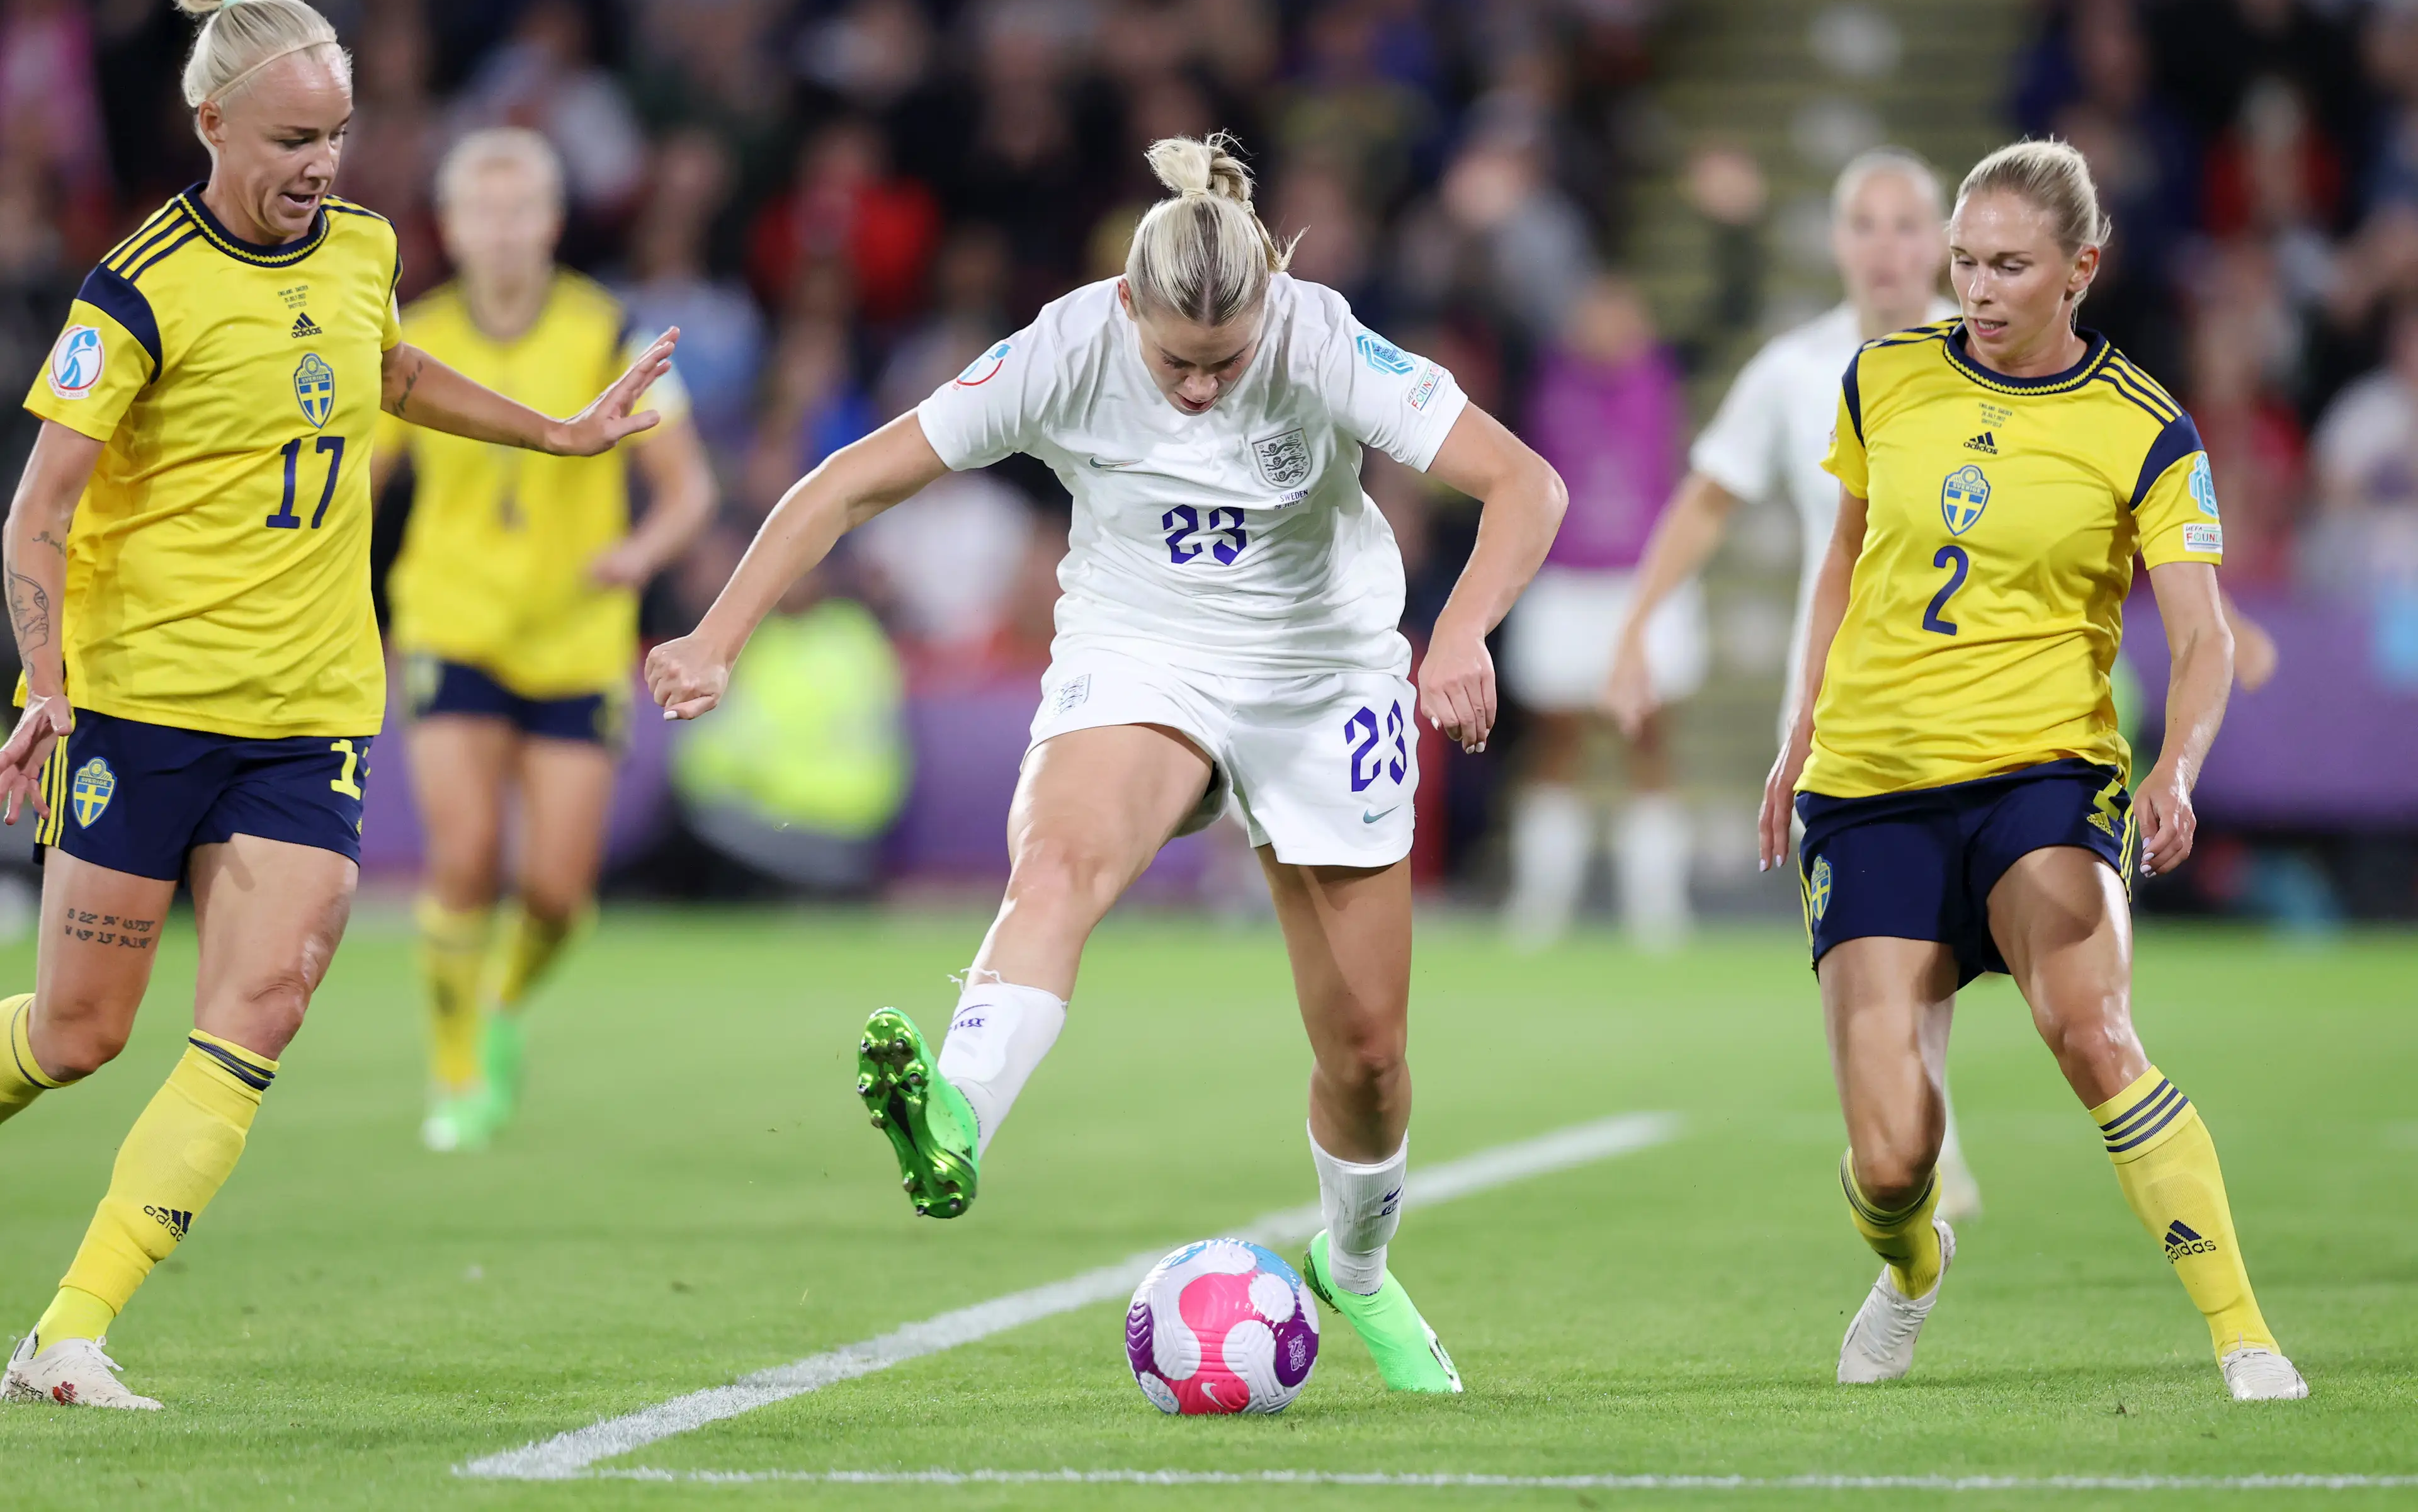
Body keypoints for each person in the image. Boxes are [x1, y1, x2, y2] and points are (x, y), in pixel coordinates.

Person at [647, 134, 1566, 1392]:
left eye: (1226, 361)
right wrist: (719, 631)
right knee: (1063, 858)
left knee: (1365, 1049)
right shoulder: (1063, 347)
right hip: (1142, 655)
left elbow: (1526, 482)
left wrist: (1459, 630)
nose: (1199, 389)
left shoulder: (1323, 337)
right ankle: (957, 1113)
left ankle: (1356, 1267)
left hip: (1323, 672)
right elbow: (855, 481)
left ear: (1269, 315)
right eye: (1177, 362)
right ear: (1127, 306)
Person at [0, 0, 673, 1409]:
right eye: (294, 140)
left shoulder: (364, 248)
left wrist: (554, 436)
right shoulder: (136, 288)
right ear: (215, 129)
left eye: (339, 135)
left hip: (309, 709)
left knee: (266, 1002)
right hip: (146, 704)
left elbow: (392, 375)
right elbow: (38, 509)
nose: (322, 166)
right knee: (77, 1032)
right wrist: (43, 683)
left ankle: (67, 1333)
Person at [1759, 139, 2305, 1402]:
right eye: (1967, 261)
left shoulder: (2145, 427)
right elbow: (1845, 556)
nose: (1979, 286)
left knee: (2094, 1027)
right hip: (1874, 782)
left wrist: (2176, 768)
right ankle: (1910, 1268)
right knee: (1894, 1158)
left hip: (2042, 777)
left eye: (2010, 264)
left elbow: (2207, 632)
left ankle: (2242, 1331)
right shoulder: (1882, 379)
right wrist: (1800, 734)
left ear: (2082, 270)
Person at [1604, 147, 1987, 1220]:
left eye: (1908, 225)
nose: (1887, 247)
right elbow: (1707, 499)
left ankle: (1925, 1133)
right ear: (1837, 242)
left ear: (1945, 244)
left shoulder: (2003, 355)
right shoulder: (1795, 369)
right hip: (1835, 707)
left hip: (1971, 699)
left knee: (1932, 947)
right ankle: (1920, 1144)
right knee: (1868, 956)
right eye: (1866, 225)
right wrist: (1637, 624)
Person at [375, 128, 715, 1152]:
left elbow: (690, 489)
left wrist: (638, 554)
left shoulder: (608, 331)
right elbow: (361, 480)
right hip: (453, 622)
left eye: (523, 208)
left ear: (554, 223)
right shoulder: (412, 340)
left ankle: (505, 1005)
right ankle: (453, 1070)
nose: (504, 228)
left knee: (560, 895)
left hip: (576, 634)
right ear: (451, 227)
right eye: (484, 209)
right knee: (467, 853)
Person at [1497, 273, 1699, 948]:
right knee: (1555, 742)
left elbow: (1734, 302)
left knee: (1648, 738)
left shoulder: (1666, 371)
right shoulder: (1543, 374)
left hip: (1643, 582)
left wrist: (1732, 228)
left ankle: (1658, 908)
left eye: (1621, 315)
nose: (1607, 330)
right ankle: (1541, 904)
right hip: (1562, 580)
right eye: (1594, 315)